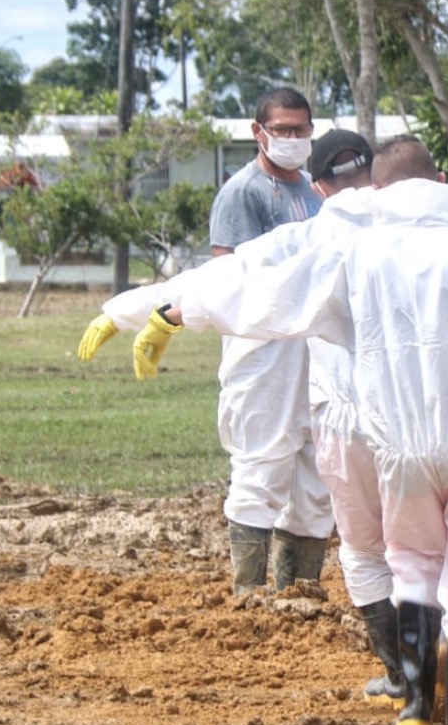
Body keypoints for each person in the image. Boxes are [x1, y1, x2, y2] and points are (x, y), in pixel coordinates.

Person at [131, 146, 448, 725]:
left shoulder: (356, 256)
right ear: (441, 182)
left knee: (410, 569)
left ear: (376, 193)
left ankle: (414, 707)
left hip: (398, 453)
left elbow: (267, 293)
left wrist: (175, 312)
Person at [76, 87, 332, 596]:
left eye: (302, 129)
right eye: (282, 130)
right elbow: (226, 280)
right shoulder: (243, 194)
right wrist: (136, 312)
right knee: (260, 467)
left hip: (314, 352)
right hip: (261, 355)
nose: (294, 138)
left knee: (317, 478)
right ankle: (249, 596)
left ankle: (301, 595)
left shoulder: (313, 191)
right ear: (258, 132)